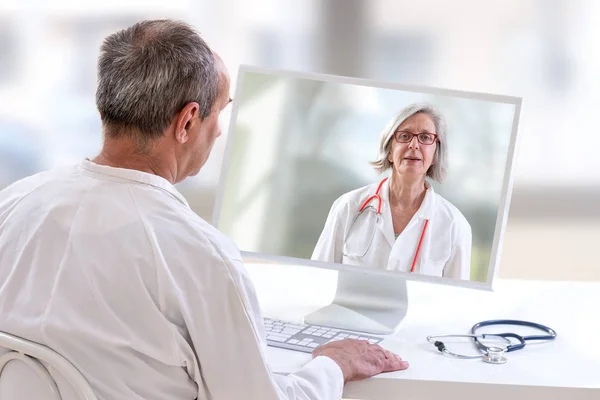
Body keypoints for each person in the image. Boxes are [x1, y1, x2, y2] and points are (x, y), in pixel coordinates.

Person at [0, 19, 408, 400]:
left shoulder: (15, 202)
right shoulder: (202, 256)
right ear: (188, 121)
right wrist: (333, 364)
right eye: (222, 110)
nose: (219, 130)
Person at [311, 103, 472, 280]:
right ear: (389, 151)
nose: (414, 145)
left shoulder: (455, 225)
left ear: (435, 154)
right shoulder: (349, 206)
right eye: (404, 136)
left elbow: (456, 300)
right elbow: (317, 280)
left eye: (425, 137)